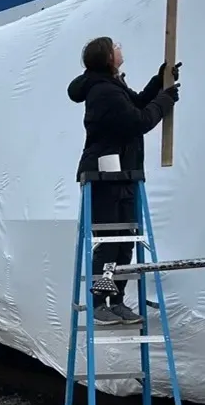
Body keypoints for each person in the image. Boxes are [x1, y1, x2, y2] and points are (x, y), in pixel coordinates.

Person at [67, 36, 180, 325]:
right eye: (116, 45)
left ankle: (116, 300)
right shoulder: (103, 91)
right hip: (104, 177)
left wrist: (158, 84)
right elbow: (138, 121)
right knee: (108, 241)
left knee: (125, 242)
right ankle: (97, 303)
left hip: (124, 174)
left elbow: (138, 103)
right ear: (107, 57)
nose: (120, 47)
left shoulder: (112, 86)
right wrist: (164, 102)